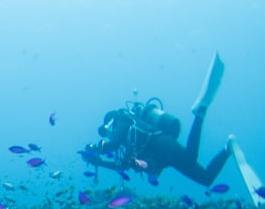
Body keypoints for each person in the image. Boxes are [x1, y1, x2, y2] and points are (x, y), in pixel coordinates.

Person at [81, 53, 232, 187]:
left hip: (162, 144)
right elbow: (122, 166)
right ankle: (227, 149)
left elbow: (112, 144)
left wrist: (94, 148)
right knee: (206, 179)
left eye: (106, 130)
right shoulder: (126, 141)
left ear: (110, 122)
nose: (107, 133)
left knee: (190, 158)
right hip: (159, 158)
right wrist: (100, 162)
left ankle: (199, 114)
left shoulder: (123, 118)